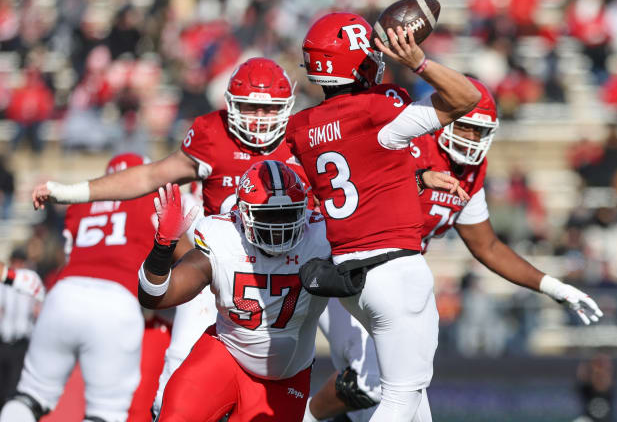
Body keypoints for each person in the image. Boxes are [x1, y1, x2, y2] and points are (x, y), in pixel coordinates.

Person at [31, 57, 401, 420]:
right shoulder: (214, 149)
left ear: (287, 108)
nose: (258, 119)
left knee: (369, 374)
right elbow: (149, 178)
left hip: (302, 269)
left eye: (268, 110)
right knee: (172, 387)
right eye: (249, 108)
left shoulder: (304, 139)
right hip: (228, 270)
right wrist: (73, 192)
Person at [285, 12, 481, 421]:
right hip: (394, 269)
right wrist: (419, 63)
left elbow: (360, 164)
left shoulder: (302, 127)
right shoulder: (380, 109)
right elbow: (467, 98)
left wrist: (418, 175)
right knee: (402, 395)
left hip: (350, 276)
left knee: (414, 399)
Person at [139, 161, 328, 421]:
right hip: (226, 353)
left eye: (287, 213)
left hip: (285, 375)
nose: (278, 226)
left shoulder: (320, 236)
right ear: (243, 214)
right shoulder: (223, 237)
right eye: (268, 214)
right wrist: (163, 247)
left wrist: (338, 281)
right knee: (176, 416)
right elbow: (155, 296)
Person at [412, 77, 604, 326]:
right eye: (464, 126)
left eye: (479, 131)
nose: (471, 138)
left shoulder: (470, 172)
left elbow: (488, 247)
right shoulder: (411, 144)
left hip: (402, 269)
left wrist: (555, 287)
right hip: (363, 259)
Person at [0, 153, 158, 422]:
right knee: (105, 413)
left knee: (30, 397)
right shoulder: (152, 199)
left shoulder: (84, 201)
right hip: (117, 299)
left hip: (66, 293)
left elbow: (68, 254)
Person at [0, 250, 45, 405]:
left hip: (21, 342)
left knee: (16, 385)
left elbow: (40, 307)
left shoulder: (31, 282)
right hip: (3, 340)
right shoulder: (3, 285)